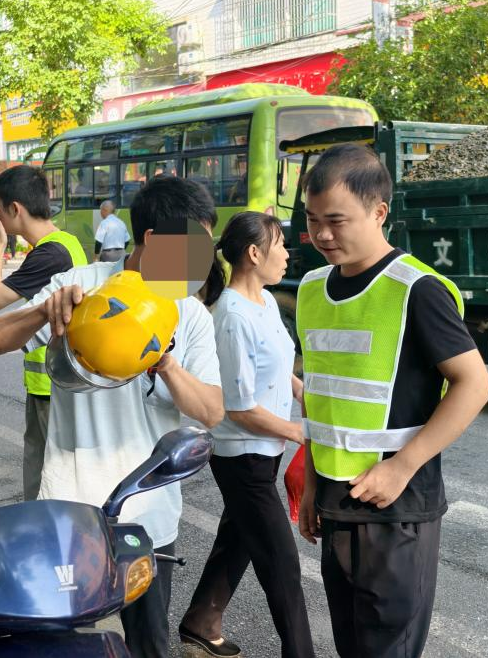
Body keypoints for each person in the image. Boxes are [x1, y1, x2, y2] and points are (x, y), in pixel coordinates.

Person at [0, 176, 225, 658]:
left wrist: (166, 363)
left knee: (148, 645)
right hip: (72, 511)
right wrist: (43, 313)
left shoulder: (190, 315)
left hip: (150, 518)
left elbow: (211, 411)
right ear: (154, 242)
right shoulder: (81, 285)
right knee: (67, 644)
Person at [296, 145, 488, 658]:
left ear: (379, 212)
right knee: (351, 644)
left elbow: (474, 385)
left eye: (336, 220)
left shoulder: (416, 289)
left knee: (387, 649)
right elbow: (321, 394)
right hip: (337, 503)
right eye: (313, 220)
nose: (322, 235)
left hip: (396, 507)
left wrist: (402, 466)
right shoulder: (314, 289)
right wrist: (312, 483)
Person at [180, 212, 313, 658]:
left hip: (265, 449)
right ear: (254, 254)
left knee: (238, 537)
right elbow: (238, 407)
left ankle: (201, 621)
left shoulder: (268, 302)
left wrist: (301, 392)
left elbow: (277, 364)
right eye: (280, 244)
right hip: (241, 456)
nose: (287, 253)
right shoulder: (231, 316)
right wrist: (300, 431)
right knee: (281, 563)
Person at [0, 165, 87, 500]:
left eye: (0, 208)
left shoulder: (49, 253)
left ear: (16, 209)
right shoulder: (65, 242)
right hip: (58, 381)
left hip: (51, 385)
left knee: (45, 481)